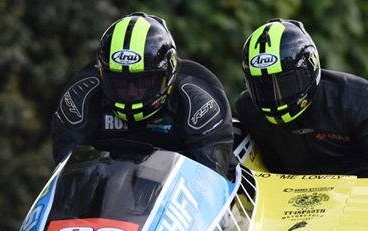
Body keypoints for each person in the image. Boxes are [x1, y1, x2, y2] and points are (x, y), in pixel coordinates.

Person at [235, 19, 368, 177]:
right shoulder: (248, 110)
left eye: (285, 84)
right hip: (306, 202)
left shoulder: (357, 99)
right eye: (262, 86)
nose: (275, 97)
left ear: (309, 69)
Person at [51, 12, 236, 179]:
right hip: (105, 203)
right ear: (101, 74)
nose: (131, 93)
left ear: (168, 73)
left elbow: (209, 181)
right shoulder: (82, 94)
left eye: (144, 82)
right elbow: (66, 175)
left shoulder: (197, 97)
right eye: (119, 82)